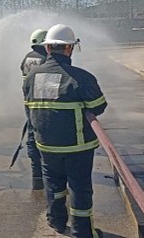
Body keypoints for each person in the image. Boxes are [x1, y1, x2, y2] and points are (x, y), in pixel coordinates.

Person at [23, 24, 107, 238]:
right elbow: (98, 106)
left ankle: (57, 221)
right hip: (77, 146)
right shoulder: (82, 77)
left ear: (48, 48)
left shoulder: (32, 76)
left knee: (54, 183)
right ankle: (82, 231)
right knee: (80, 188)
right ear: (69, 48)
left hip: (46, 145)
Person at [20, 28, 48, 190]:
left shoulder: (27, 58)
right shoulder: (45, 59)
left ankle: (36, 173)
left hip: (29, 101)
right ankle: (44, 171)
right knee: (42, 135)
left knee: (31, 132)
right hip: (42, 103)